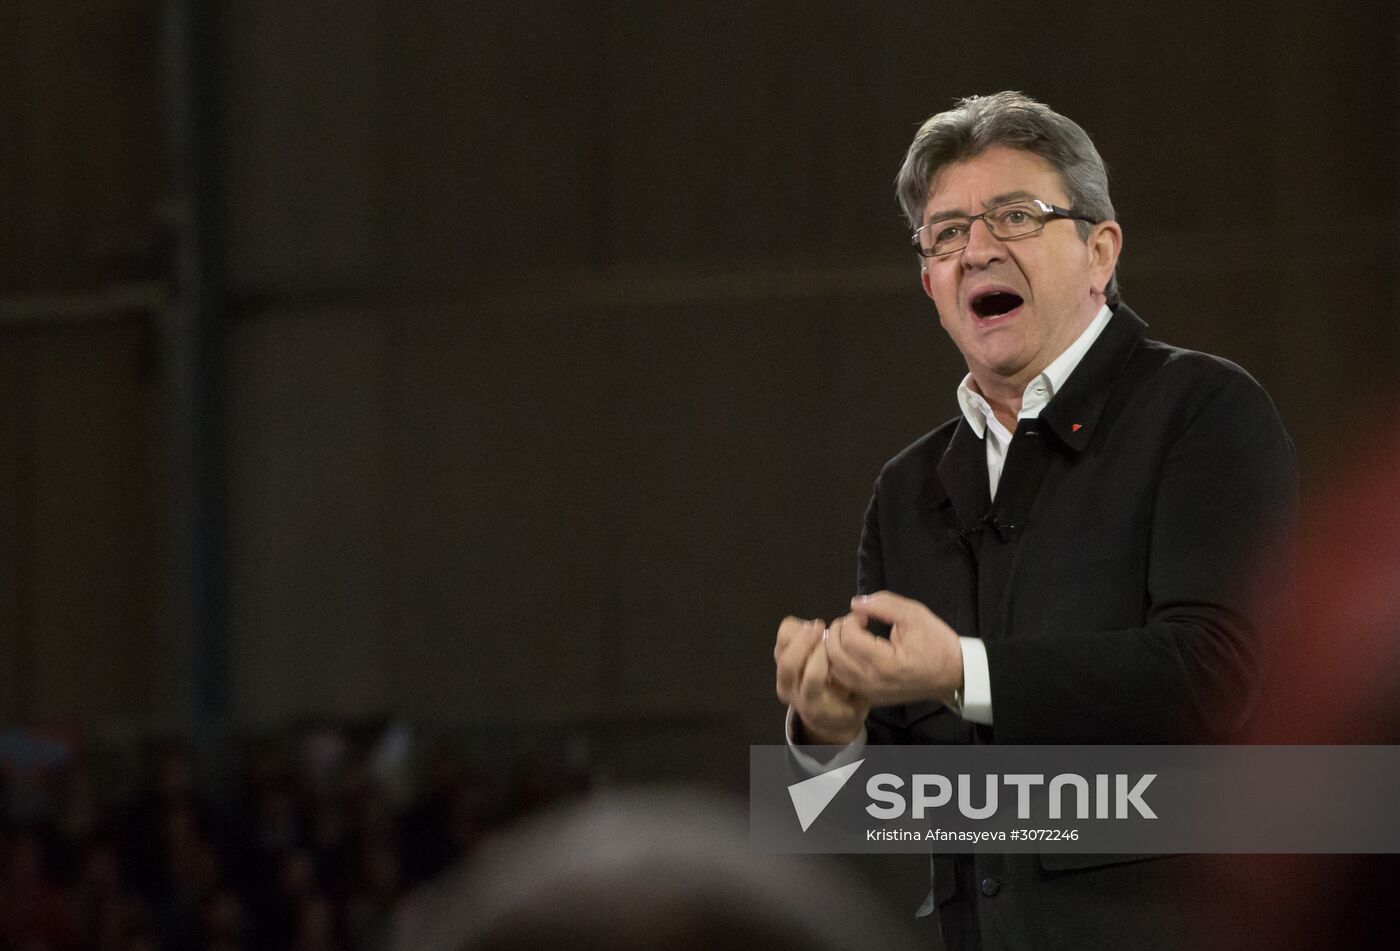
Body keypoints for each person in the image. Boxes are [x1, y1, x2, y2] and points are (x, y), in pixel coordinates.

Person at [772, 91, 1297, 951]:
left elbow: (1220, 676)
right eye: (946, 233)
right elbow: (892, 802)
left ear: (1100, 251)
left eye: (1015, 214)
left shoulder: (1203, 412)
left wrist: (962, 669)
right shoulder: (908, 490)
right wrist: (828, 730)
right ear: (930, 282)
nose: (977, 247)